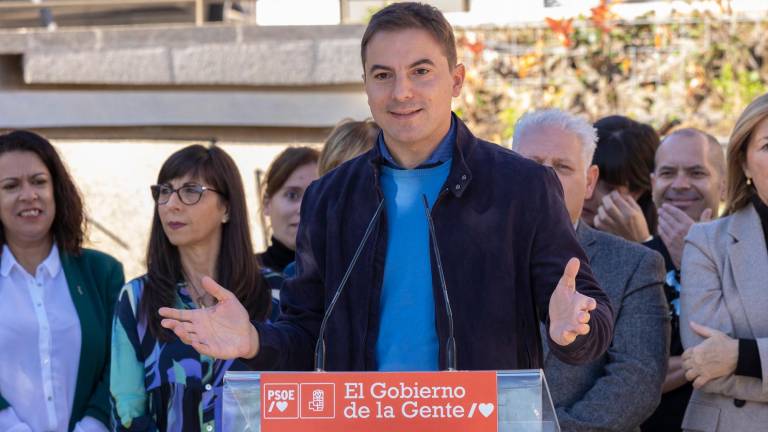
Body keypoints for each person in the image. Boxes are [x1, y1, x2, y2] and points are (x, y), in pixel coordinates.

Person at [159, 2, 613, 373]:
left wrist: (574, 329)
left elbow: (588, 316)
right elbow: (306, 332)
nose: (401, 92)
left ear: (456, 80)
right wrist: (254, 340)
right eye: (383, 75)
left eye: (421, 71)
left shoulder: (523, 187)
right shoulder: (331, 197)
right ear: (366, 87)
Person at [514, 109, 668, 431]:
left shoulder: (635, 265)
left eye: (562, 166)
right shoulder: (465, 253)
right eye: (531, 164)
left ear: (589, 181)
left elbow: (637, 377)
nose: (546, 178)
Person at [110, 145, 272, 431]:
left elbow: (299, 397)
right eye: (164, 191)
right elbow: (126, 410)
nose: (171, 204)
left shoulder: (275, 293)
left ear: (227, 208)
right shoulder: (138, 299)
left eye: (191, 191)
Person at [0, 130, 125, 432]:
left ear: (57, 189)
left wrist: (92, 427)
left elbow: (122, 364)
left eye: (39, 181)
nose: (29, 194)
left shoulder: (102, 272)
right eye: (10, 186)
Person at [678, 93, 768, 431]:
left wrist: (741, 357)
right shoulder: (706, 242)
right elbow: (703, 365)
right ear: (743, 163)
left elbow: (724, 365)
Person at [641, 127, 726, 431]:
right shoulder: (634, 260)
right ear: (653, 184)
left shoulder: (750, 257)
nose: (680, 184)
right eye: (667, 173)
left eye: (697, 172)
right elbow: (633, 374)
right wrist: (723, 358)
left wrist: (694, 260)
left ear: (725, 186)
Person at [583, 115, 660, 243]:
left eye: (608, 187)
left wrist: (642, 243)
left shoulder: (671, 244)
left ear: (638, 192)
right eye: (586, 178)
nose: (587, 194)